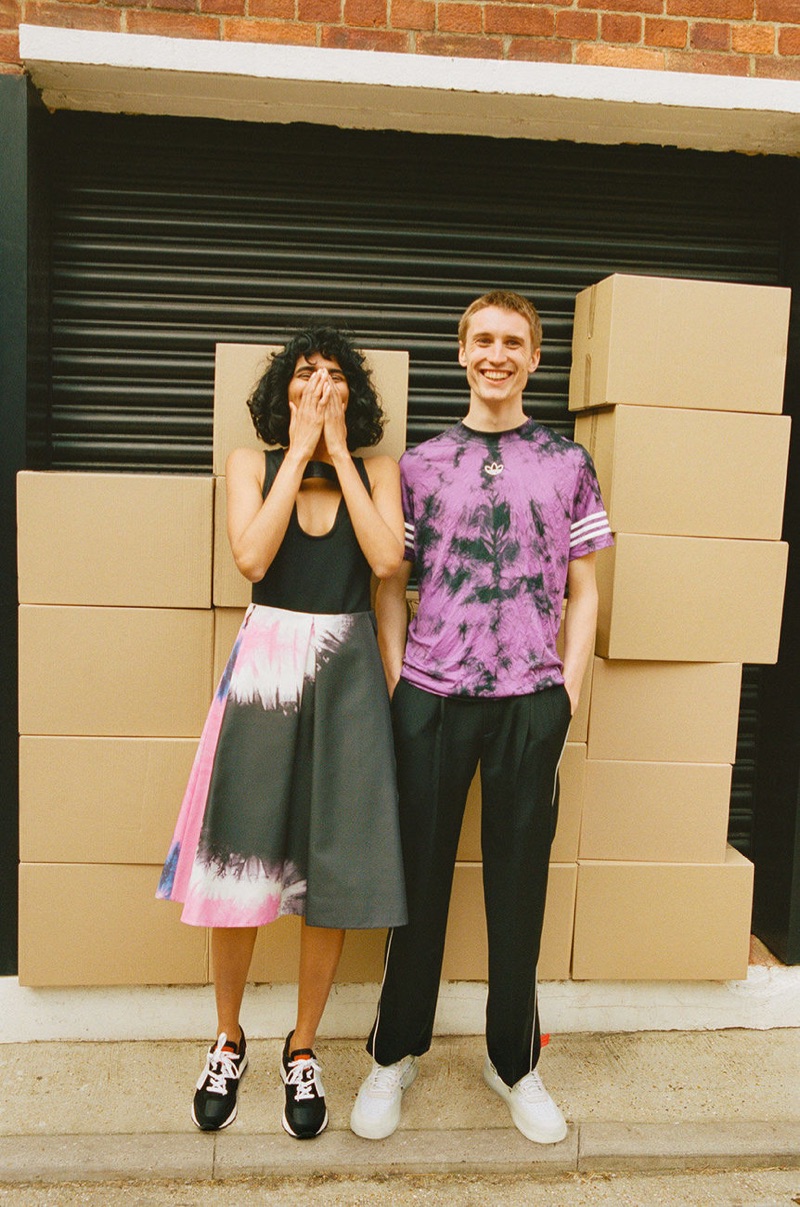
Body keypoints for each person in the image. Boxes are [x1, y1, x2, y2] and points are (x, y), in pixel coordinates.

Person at [350, 291, 613, 1146]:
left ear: (535, 358)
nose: (496, 353)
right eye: (482, 340)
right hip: (431, 698)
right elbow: (391, 585)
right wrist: (400, 685)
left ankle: (515, 1061)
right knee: (415, 882)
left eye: (513, 342)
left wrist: (564, 693)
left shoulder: (567, 461)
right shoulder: (420, 465)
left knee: (518, 888)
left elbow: (585, 590)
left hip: (528, 704)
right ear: (461, 352)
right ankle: (394, 1053)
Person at [157, 327, 407, 1140]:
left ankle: (303, 1045)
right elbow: (252, 558)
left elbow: (386, 562)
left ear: (355, 397)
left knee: (328, 859)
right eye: (307, 376)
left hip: (347, 670)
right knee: (242, 853)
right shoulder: (251, 465)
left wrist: (337, 447)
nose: (322, 387)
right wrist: (299, 453)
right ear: (283, 391)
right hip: (266, 662)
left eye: (336, 378)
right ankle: (229, 1036)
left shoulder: (380, 474)